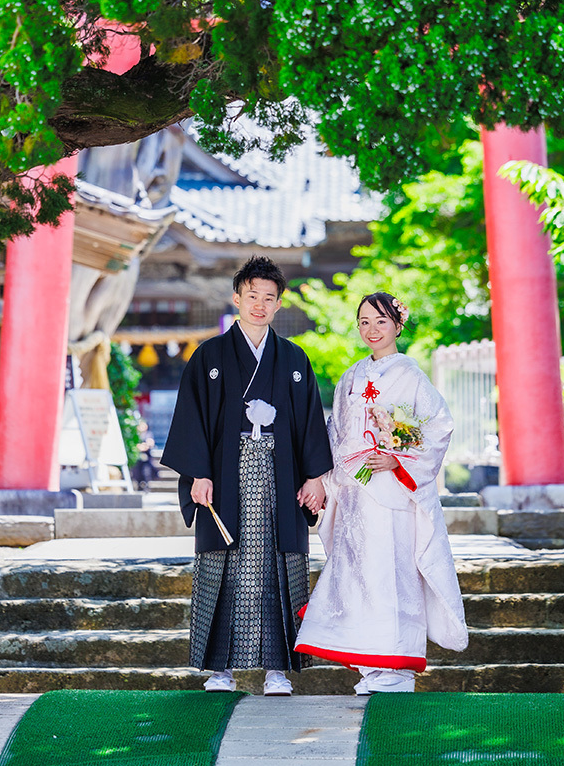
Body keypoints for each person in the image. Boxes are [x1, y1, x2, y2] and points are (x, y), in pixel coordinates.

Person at [161, 256, 332, 696]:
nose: (259, 305)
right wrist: (197, 473)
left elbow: (312, 421)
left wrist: (315, 477)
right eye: (252, 295)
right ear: (236, 297)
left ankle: (278, 668)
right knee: (225, 567)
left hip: (280, 476)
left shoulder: (294, 359)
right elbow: (192, 418)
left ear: (279, 305)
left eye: (268, 298)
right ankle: (222, 669)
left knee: (279, 567)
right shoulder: (210, 357)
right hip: (225, 476)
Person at [295, 292, 468, 694]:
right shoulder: (350, 377)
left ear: (397, 325)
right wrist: (325, 478)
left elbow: (437, 427)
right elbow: (335, 433)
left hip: (393, 492)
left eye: (381, 322)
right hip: (355, 493)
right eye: (364, 322)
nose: (372, 330)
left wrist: (396, 459)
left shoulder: (411, 375)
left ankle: (397, 666)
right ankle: (369, 665)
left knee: (394, 573)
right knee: (357, 574)